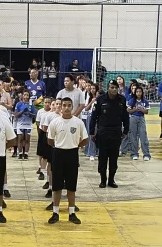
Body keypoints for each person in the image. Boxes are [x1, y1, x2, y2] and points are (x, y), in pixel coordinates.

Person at [47, 97, 88, 225]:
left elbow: (86, 139)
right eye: (64, 105)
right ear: (61, 107)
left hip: (72, 154)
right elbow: (50, 140)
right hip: (58, 154)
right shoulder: (55, 122)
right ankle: (55, 213)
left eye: (69, 105)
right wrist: (59, 146)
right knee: (57, 186)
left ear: (72, 106)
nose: (66, 108)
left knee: (71, 186)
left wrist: (75, 146)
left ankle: (72, 213)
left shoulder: (78, 122)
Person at [89, 81, 129, 189]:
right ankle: (103, 180)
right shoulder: (100, 100)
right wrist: (92, 132)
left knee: (113, 158)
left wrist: (126, 131)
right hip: (103, 132)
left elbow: (125, 117)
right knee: (102, 157)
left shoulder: (122, 100)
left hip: (116, 132)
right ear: (108, 88)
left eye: (116, 87)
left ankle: (111, 180)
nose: (114, 89)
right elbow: (94, 117)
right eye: (112, 87)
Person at [124, 83, 151, 161]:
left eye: (140, 92)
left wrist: (141, 109)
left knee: (143, 136)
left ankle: (146, 154)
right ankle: (134, 154)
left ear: (142, 93)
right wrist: (135, 109)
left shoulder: (145, 101)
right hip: (133, 118)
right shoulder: (131, 101)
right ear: (135, 93)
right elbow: (128, 111)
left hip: (141, 118)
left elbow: (146, 111)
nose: (138, 93)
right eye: (137, 92)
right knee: (133, 137)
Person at [13, 90, 36, 161]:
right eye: (24, 95)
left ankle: (26, 154)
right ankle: (20, 153)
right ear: (22, 96)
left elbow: (34, 115)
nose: (26, 96)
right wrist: (22, 111)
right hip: (20, 124)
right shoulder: (18, 104)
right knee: (20, 139)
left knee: (27, 139)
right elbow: (16, 115)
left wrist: (29, 113)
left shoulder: (31, 105)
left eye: (27, 95)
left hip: (28, 124)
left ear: (29, 96)